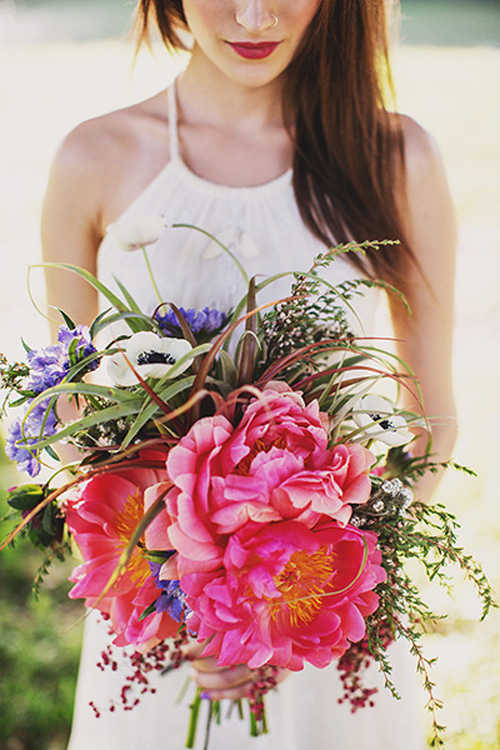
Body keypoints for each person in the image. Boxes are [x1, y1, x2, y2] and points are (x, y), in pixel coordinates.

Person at [41, 1, 457, 748]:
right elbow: (74, 414)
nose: (255, 15)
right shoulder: (95, 157)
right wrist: (176, 592)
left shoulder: (394, 156)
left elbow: (430, 414)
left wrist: (308, 593)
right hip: (165, 629)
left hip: (319, 620)